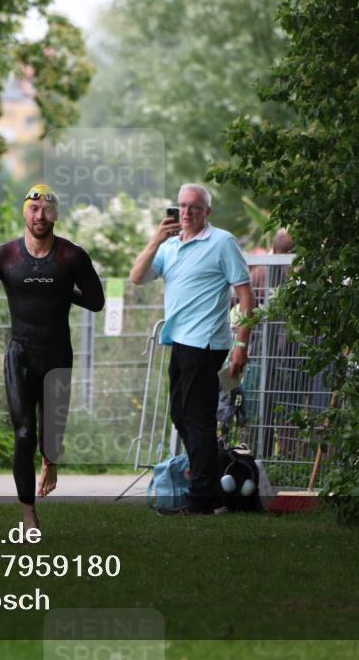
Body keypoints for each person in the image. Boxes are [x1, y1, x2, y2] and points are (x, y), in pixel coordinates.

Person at [0, 184, 104, 531]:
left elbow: (97, 300)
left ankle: (50, 460)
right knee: (24, 434)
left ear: (55, 214)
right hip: (20, 355)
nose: (40, 216)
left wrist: (64, 292)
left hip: (57, 355)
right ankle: (28, 515)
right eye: (33, 209)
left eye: (47, 210)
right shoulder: (4, 256)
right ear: (25, 213)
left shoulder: (71, 256)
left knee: (51, 435)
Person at [130, 183, 253, 515]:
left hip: (206, 342)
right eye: (182, 206)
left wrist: (242, 343)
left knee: (196, 418)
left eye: (194, 207)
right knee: (181, 415)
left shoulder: (222, 242)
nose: (186, 212)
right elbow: (136, 277)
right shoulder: (169, 246)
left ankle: (202, 498)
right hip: (179, 341)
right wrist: (156, 239)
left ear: (207, 212)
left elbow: (246, 296)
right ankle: (208, 484)